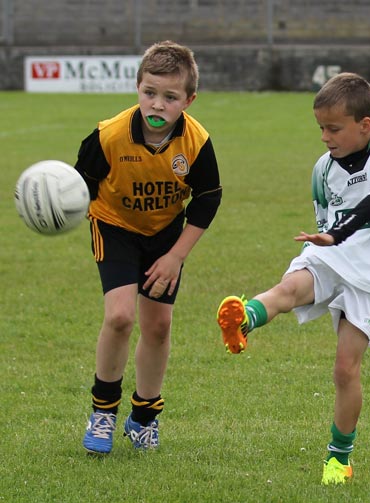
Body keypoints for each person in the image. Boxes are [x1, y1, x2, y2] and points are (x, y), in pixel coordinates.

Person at [217, 73, 370, 484]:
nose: (325, 137)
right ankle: (244, 318)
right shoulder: (322, 170)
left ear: (364, 125)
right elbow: (326, 219)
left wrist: (336, 234)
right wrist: (328, 240)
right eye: (321, 129)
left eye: (334, 128)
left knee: (345, 370)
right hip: (332, 250)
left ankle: (338, 458)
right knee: (289, 288)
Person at [76, 40, 222, 454]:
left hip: (165, 235)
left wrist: (176, 256)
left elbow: (208, 198)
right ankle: (103, 412)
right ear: (138, 87)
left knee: (158, 326)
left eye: (170, 97)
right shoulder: (108, 136)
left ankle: (144, 417)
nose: (157, 105)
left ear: (189, 100)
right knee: (121, 317)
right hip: (115, 226)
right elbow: (78, 187)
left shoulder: (195, 142)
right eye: (149, 93)